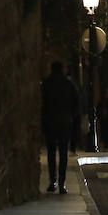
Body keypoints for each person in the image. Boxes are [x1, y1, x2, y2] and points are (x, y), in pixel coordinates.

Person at [40, 61, 80, 194]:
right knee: (63, 153)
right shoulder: (68, 84)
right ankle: (62, 183)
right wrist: (71, 116)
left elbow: (42, 103)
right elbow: (76, 102)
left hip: (50, 122)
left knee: (51, 152)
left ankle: (53, 181)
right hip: (64, 122)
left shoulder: (47, 84)